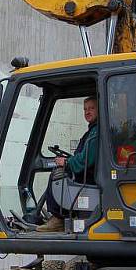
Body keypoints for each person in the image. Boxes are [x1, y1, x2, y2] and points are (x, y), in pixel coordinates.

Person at [38, 96, 98, 232]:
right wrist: (69, 160)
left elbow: (85, 160)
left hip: (89, 177)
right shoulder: (92, 131)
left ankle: (58, 217)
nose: (87, 112)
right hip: (88, 173)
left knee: (57, 175)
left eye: (91, 108)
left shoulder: (96, 133)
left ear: (99, 110)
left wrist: (66, 162)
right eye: (85, 109)